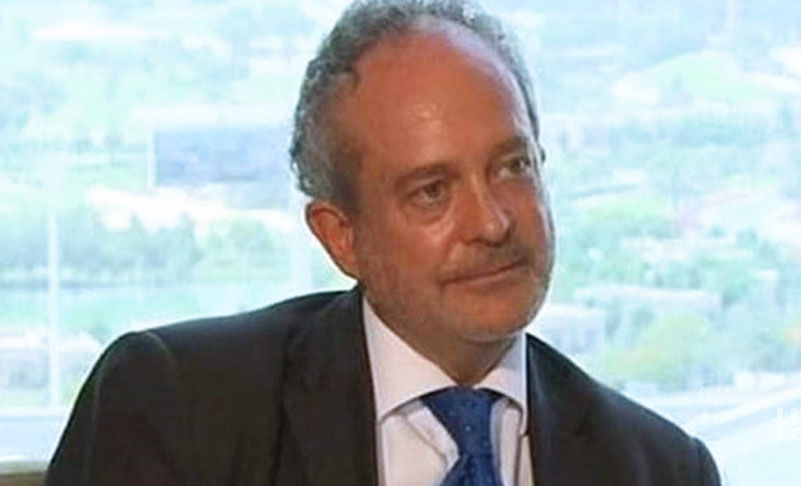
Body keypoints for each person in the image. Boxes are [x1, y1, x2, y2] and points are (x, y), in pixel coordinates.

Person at [46, 1, 721, 485]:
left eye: (513, 167)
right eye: (432, 191)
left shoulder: (661, 468)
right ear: (341, 236)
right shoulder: (178, 406)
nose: (492, 223)